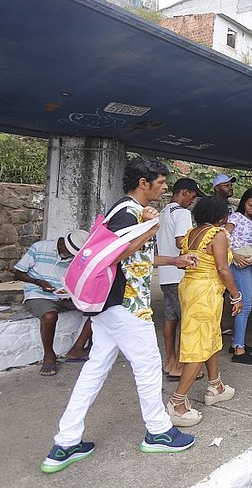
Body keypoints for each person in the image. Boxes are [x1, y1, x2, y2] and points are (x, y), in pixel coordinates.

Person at [40, 158, 199, 474]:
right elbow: (118, 252)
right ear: (144, 183)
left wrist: (175, 260)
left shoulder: (129, 212)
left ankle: (65, 442)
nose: (165, 186)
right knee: (149, 365)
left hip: (112, 307)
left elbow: (138, 257)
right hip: (125, 305)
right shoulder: (128, 212)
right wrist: (151, 225)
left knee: (95, 369)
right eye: (161, 181)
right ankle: (158, 431)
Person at [166, 196, 243, 426]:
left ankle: (215, 385)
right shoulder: (218, 235)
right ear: (221, 216)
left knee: (210, 336)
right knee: (198, 344)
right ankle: (177, 403)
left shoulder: (191, 233)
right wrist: (236, 295)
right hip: (206, 291)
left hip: (190, 287)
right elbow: (222, 268)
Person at [14, 229, 92, 377]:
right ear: (61, 243)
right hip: (38, 293)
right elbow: (18, 273)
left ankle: (77, 349)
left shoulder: (77, 258)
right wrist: (39, 281)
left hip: (64, 295)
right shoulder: (39, 247)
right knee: (49, 316)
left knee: (99, 309)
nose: (69, 257)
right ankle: (49, 355)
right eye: (68, 252)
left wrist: (70, 293)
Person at [159, 177, 204, 380]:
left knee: (170, 318)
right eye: (192, 197)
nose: (192, 202)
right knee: (187, 321)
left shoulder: (162, 212)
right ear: (184, 192)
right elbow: (181, 243)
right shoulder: (183, 213)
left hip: (165, 273)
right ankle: (179, 366)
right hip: (180, 274)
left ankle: (170, 361)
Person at [225, 188, 252, 365]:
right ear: (244, 202)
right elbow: (223, 237)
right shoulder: (235, 217)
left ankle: (236, 342)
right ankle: (239, 349)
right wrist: (233, 254)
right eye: (250, 205)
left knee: (250, 302)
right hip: (239, 263)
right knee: (244, 304)